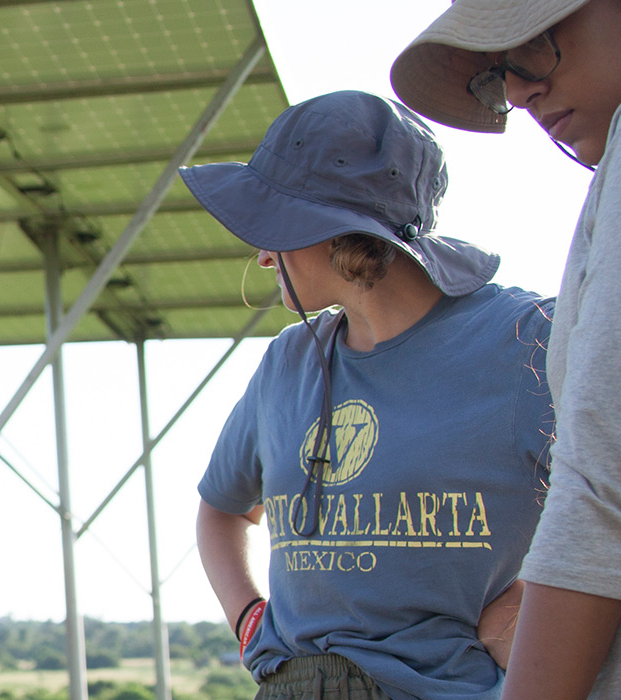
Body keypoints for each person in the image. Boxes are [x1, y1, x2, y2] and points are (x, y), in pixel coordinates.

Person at [188, 91, 554, 700]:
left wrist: (536, 610)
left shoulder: (530, 341)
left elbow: (603, 511)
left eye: (274, 221)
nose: (261, 253)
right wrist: (251, 622)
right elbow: (221, 509)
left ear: (338, 229)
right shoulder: (288, 360)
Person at [391, 1, 621, 696]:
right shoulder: (290, 364)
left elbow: (602, 485)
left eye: (534, 44)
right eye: (500, 72)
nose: (518, 91)